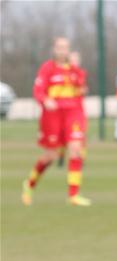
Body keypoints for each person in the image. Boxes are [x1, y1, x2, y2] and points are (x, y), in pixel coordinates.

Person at [21, 37, 91, 207]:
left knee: (75, 149)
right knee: (50, 156)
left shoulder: (75, 71)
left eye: (65, 47)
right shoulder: (47, 68)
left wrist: (82, 89)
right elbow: (38, 90)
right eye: (59, 47)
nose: (62, 50)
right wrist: (45, 100)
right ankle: (29, 184)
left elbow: (81, 90)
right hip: (52, 116)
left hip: (72, 114)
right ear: (54, 49)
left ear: (68, 50)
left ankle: (73, 195)